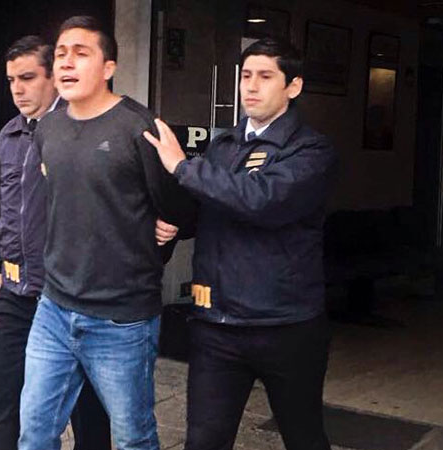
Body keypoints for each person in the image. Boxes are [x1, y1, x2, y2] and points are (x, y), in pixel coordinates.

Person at [144, 37, 337, 450]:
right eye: (246, 75)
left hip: (285, 326)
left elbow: (261, 200)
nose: (251, 86)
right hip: (217, 327)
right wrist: (177, 223)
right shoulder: (224, 145)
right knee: (204, 441)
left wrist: (182, 167)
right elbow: (211, 205)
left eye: (265, 76)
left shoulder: (311, 150)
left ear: (294, 86)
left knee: (303, 437)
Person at [18, 16, 194, 450]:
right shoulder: (48, 128)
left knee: (133, 437)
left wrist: (169, 228)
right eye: (61, 54)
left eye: (81, 53)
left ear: (109, 67)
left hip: (122, 317)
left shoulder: (140, 127)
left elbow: (182, 207)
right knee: (35, 433)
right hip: (54, 309)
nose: (66, 63)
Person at [0, 35, 112, 450]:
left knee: (86, 406)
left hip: (65, 294)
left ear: (53, 77)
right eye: (11, 80)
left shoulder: (77, 130)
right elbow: (1, 204)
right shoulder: (9, 134)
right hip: (15, 291)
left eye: (27, 78)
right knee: (1, 396)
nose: (17, 89)